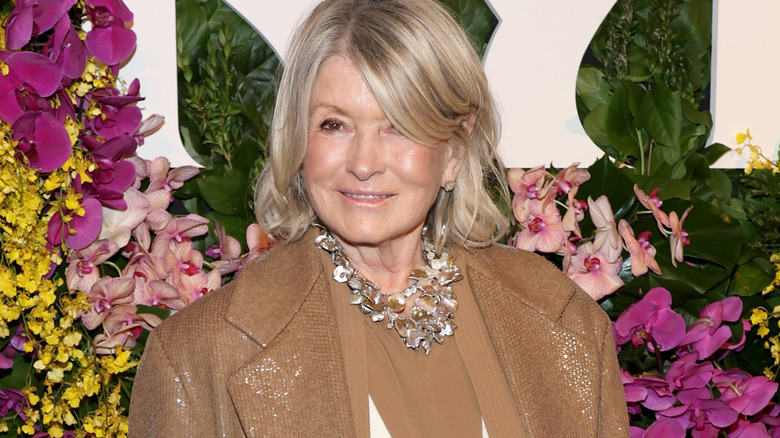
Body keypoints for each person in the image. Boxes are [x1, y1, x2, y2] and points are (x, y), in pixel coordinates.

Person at [128, 0, 629, 436]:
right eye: (334, 124)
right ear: (298, 141)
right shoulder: (199, 355)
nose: (364, 163)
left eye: (398, 126)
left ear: (453, 151)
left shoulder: (562, 316)